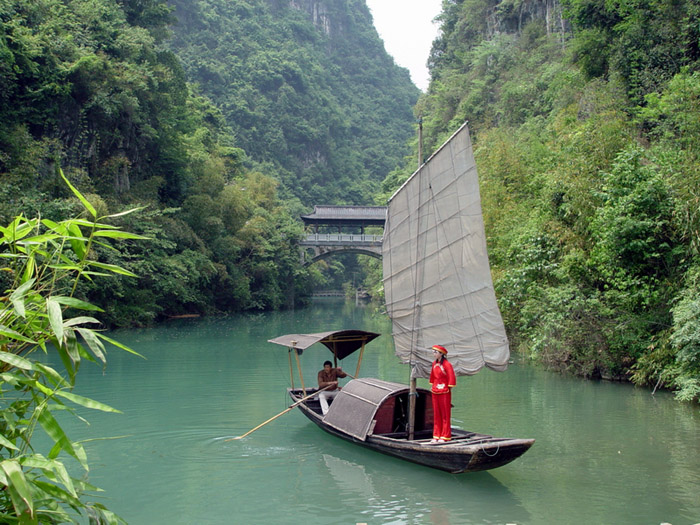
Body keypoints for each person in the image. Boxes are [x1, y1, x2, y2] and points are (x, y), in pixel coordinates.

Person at [429, 345, 456, 443]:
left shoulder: (447, 365)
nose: (434, 354)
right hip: (435, 391)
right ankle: (436, 435)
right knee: (436, 414)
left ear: (441, 354)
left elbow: (452, 378)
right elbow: (432, 377)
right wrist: (434, 386)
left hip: (444, 391)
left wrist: (448, 387)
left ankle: (445, 436)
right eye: (433, 352)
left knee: (445, 414)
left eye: (435, 352)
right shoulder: (434, 364)